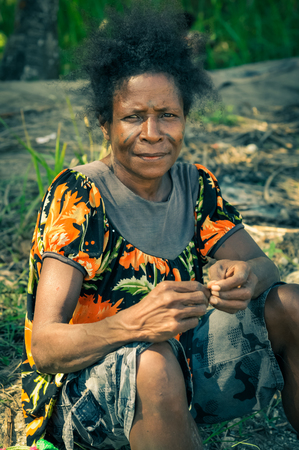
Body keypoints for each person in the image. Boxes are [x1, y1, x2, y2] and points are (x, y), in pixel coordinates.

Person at [22, 3, 299, 450]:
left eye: (167, 115)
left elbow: (261, 264)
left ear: (185, 118)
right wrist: (134, 322)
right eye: (133, 117)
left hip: (180, 373)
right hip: (86, 396)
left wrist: (245, 278)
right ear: (104, 123)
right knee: (151, 359)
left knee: (291, 305)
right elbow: (47, 348)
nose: (152, 132)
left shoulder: (195, 186)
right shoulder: (80, 195)